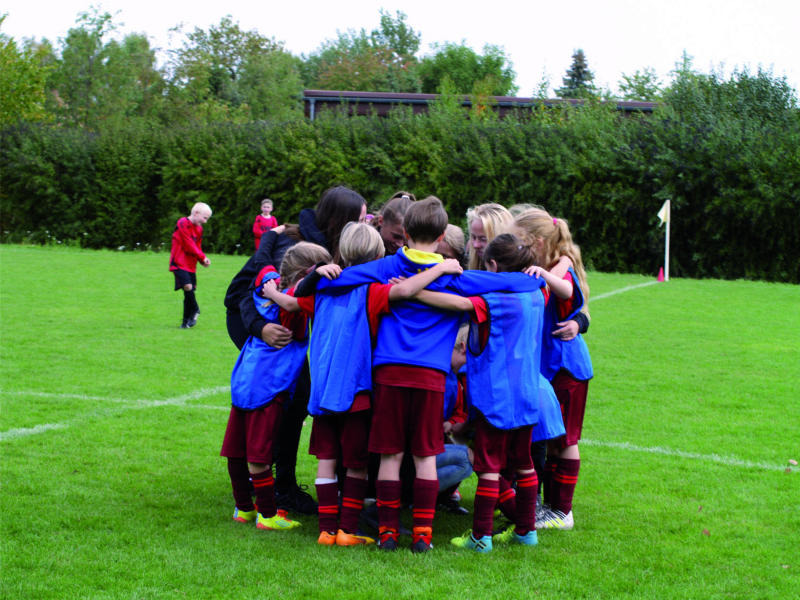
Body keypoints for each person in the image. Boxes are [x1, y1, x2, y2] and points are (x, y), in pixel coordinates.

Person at [270, 222, 463, 546]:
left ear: (342, 253)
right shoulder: (370, 292)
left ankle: (326, 530)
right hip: (357, 390)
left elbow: (292, 302)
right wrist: (441, 267)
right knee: (357, 465)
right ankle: (348, 529)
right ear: (377, 255)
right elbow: (403, 292)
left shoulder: (323, 291)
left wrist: (272, 291)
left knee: (327, 462)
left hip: (323, 392)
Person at [411, 233, 571, 552]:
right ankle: (526, 531)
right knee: (524, 463)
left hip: (495, 397)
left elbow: (458, 303)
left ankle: (480, 537)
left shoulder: (494, 301)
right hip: (526, 394)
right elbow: (565, 267)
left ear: (493, 266)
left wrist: (415, 291)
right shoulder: (537, 292)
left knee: (488, 466)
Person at [222, 186, 367, 516]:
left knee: (298, 396)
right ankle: (276, 485)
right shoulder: (295, 245)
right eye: (360, 217)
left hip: (285, 325)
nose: (366, 222)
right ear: (340, 220)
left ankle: (263, 478)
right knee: (290, 397)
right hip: (254, 323)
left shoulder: (331, 244)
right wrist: (261, 328)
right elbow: (250, 294)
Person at [221, 241, 331, 532]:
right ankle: (268, 515)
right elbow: (299, 296)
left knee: (237, 449)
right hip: (269, 386)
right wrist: (320, 274)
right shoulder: (293, 302)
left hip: (244, 379)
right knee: (259, 454)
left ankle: (243, 508)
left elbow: (264, 262)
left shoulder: (267, 283)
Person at [513, 209, 593, 531]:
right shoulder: (553, 265)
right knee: (549, 436)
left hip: (567, 366)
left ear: (538, 242)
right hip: (549, 363)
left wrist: (546, 276)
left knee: (565, 439)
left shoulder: (560, 270)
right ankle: (548, 506)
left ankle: (562, 511)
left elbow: (567, 292)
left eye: (521, 242)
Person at [169, 202, 212, 329]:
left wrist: (202, 260)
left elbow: (197, 246)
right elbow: (188, 244)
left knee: (189, 292)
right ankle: (196, 309)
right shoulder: (182, 223)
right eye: (204, 218)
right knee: (188, 287)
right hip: (178, 262)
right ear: (196, 213)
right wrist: (203, 257)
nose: (205, 221)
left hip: (190, 265)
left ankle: (185, 323)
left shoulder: (199, 229)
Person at [466, 203, 513, 270]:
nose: (475, 245)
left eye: (483, 239)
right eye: (473, 237)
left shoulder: (523, 269)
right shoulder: (466, 260)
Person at [372, 191, 415, 255]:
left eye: (407, 239)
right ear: (381, 221)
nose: (401, 245)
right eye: (396, 237)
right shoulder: (366, 245)